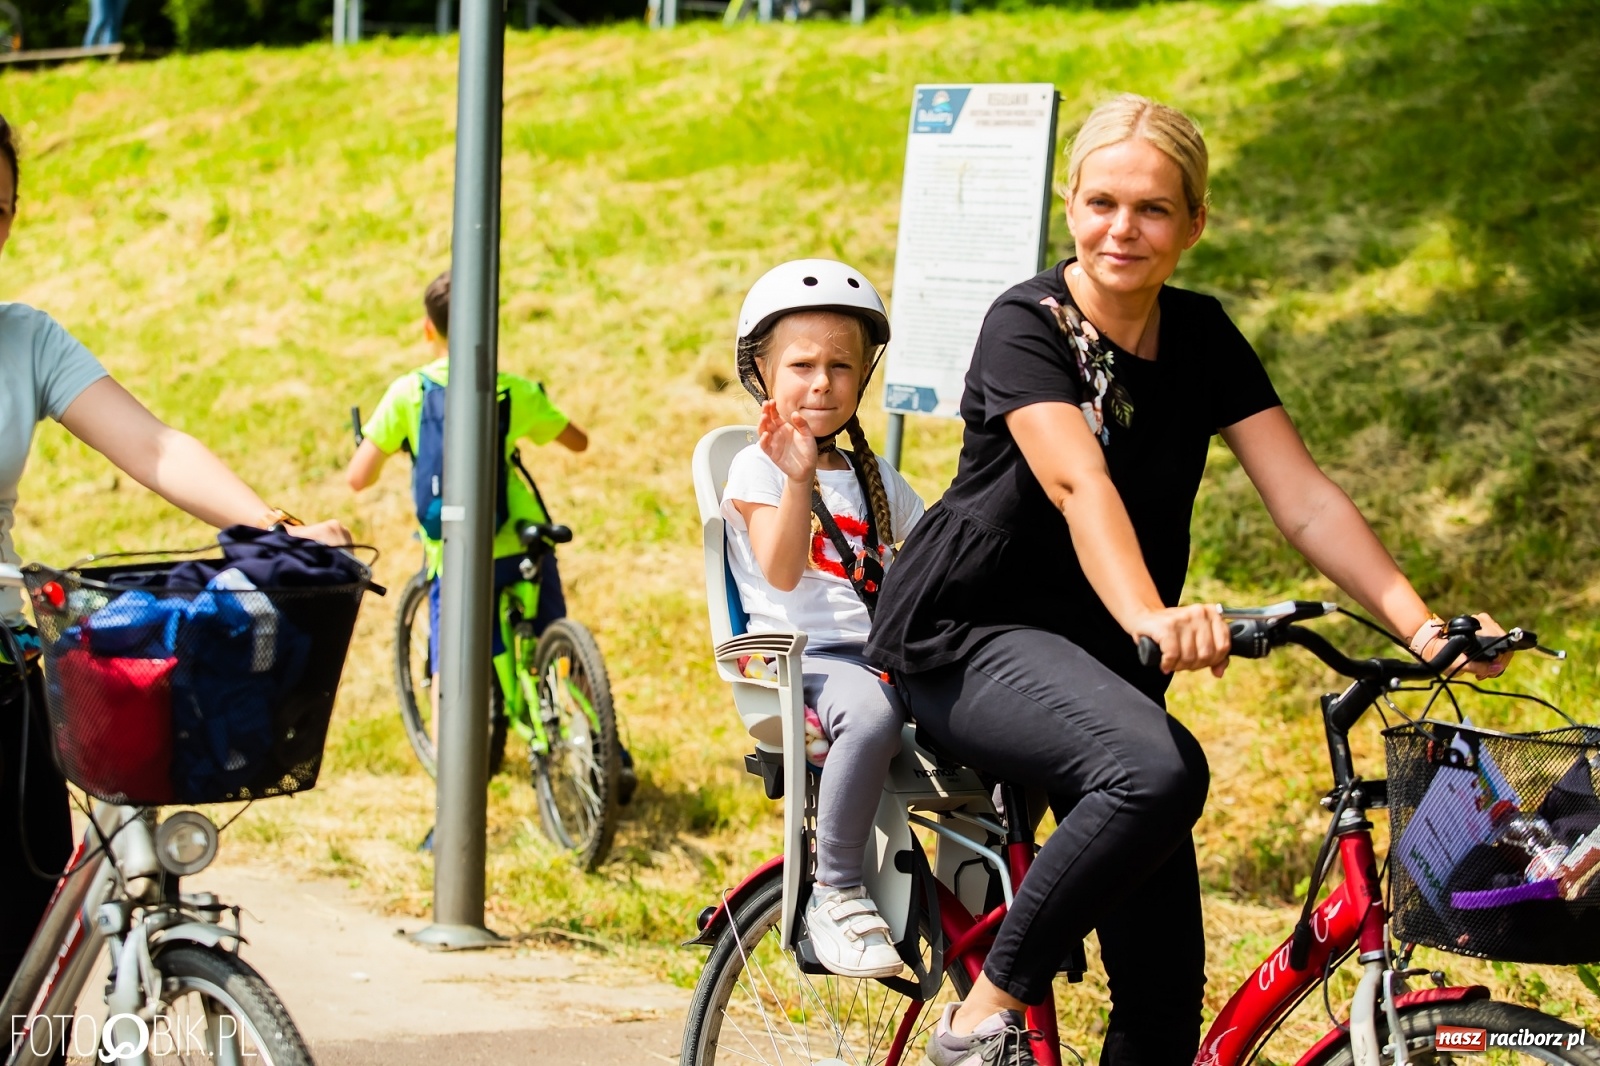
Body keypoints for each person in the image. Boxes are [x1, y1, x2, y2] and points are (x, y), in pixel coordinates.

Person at [865, 94, 1513, 1066]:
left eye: (1154, 208)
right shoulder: (1024, 325)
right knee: (1158, 770)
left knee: (1165, 995)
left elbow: (1304, 500)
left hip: (1097, 663)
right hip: (968, 635)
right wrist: (1151, 616)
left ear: (1195, 221)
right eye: (1101, 203)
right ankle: (976, 1020)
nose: (1122, 228)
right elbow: (1076, 481)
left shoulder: (1201, 335)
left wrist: (1420, 627)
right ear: (1070, 204)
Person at [0, 111, 352, 998]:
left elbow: (154, 447)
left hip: (5, 667)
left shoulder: (26, 339)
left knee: (25, 934)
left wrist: (272, 529)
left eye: (0, 209)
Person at [723, 259, 926, 978]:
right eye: (802, 365)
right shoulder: (759, 469)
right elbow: (780, 570)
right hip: (808, 661)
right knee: (870, 716)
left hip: (880, 654)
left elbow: (934, 551)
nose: (821, 383)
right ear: (762, 373)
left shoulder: (876, 479)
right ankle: (834, 889)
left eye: (841, 366)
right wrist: (798, 474)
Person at [346, 270, 589, 752]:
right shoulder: (512, 389)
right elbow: (578, 442)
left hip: (456, 553)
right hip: (521, 539)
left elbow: (358, 477)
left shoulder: (408, 394)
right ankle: (606, 750)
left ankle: (450, 770)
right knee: (558, 643)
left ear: (428, 329)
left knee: (449, 668)